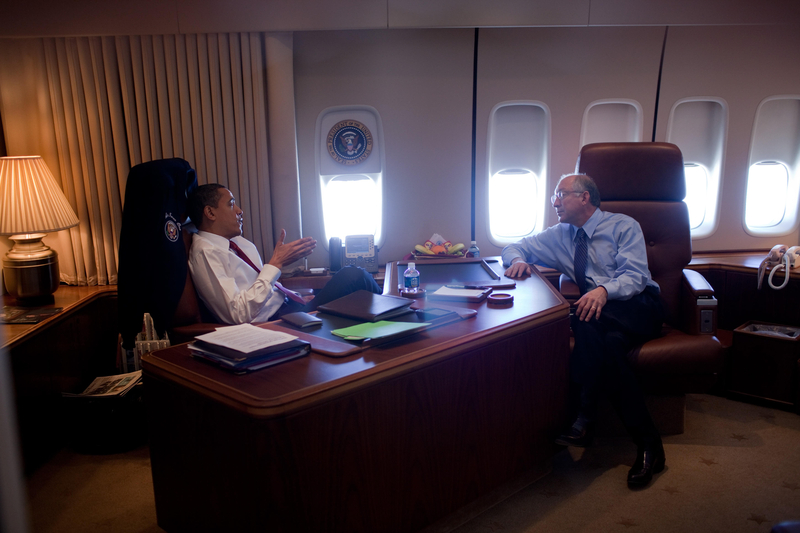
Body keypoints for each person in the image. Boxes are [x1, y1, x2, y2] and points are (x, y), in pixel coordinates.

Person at [502, 173, 665, 488]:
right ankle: (649, 446)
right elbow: (513, 246)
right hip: (603, 317)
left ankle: (582, 416)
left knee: (583, 317)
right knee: (611, 348)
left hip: (640, 305)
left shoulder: (623, 225)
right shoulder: (559, 234)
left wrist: (603, 290)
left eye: (560, 194)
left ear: (584, 197)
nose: (555, 202)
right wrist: (519, 260)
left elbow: (635, 276)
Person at [186, 183, 381, 324]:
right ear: (210, 213)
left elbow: (263, 288)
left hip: (291, 307)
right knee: (353, 276)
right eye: (231, 204)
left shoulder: (238, 243)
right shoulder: (206, 252)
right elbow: (238, 314)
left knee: (354, 289)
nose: (239, 210)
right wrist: (275, 264)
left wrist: (295, 296)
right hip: (275, 323)